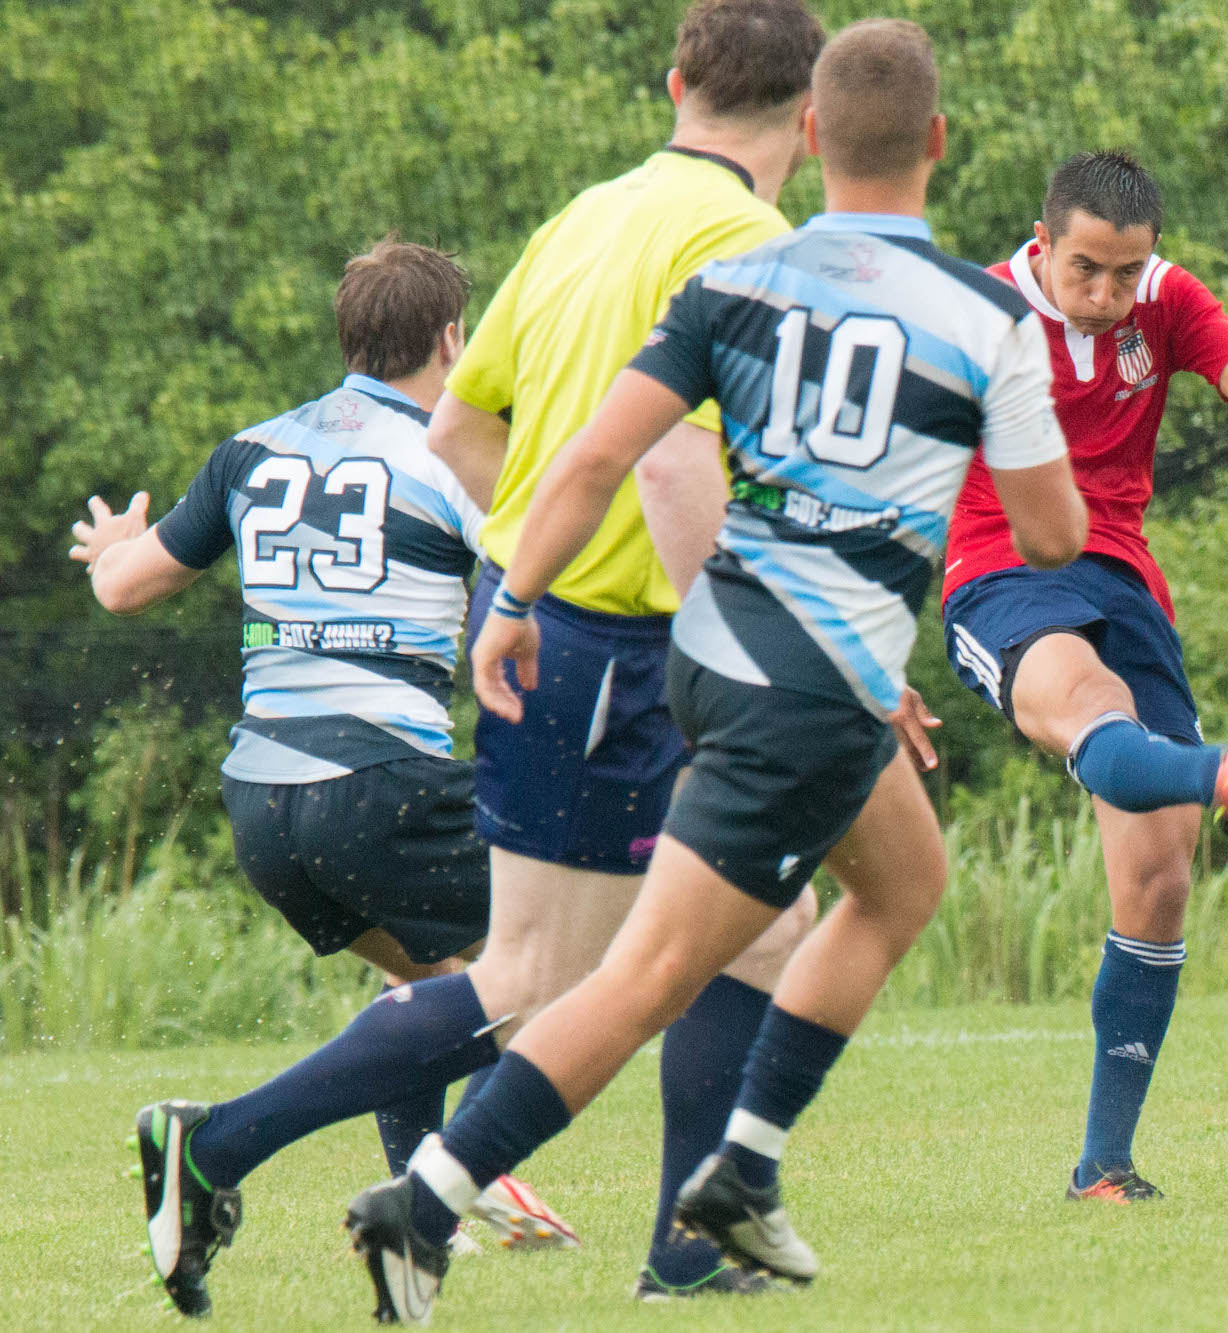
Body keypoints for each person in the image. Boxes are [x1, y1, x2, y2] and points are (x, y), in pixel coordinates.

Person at [338, 19, 1087, 1322]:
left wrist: (509, 600)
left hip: (714, 655)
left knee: (902, 881)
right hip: (813, 687)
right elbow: (1053, 534)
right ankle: (430, 1198)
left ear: (812, 135)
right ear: (939, 144)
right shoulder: (984, 318)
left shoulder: (737, 281)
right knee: (648, 978)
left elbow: (582, 461)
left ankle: (742, 1170)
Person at [70, 240, 573, 1318]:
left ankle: (423, 1198)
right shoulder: (460, 455)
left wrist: (114, 541)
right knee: (566, 962)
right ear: (451, 339)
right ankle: (234, 1146)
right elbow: (542, 587)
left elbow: (122, 588)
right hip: (380, 783)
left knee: (437, 990)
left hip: (262, 803)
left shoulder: (252, 449)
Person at [412, 0, 829, 1300]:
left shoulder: (588, 212)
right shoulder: (752, 240)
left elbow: (461, 434)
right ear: (810, 125)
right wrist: (595, 587)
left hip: (577, 635)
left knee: (762, 931)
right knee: (534, 975)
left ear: (673, 84)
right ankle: (230, 1139)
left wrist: (526, 570)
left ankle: (687, 1251)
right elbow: (665, 459)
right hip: (631, 651)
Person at [934, 150, 1228, 1204]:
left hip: (1122, 582)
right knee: (1090, 710)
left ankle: (1103, 1166)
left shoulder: (1161, 300)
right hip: (998, 569)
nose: (1107, 295)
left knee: (1156, 882)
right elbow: (891, 463)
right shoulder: (978, 312)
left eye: (1125, 271)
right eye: (1085, 271)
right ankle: (1219, 771)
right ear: (1041, 241)